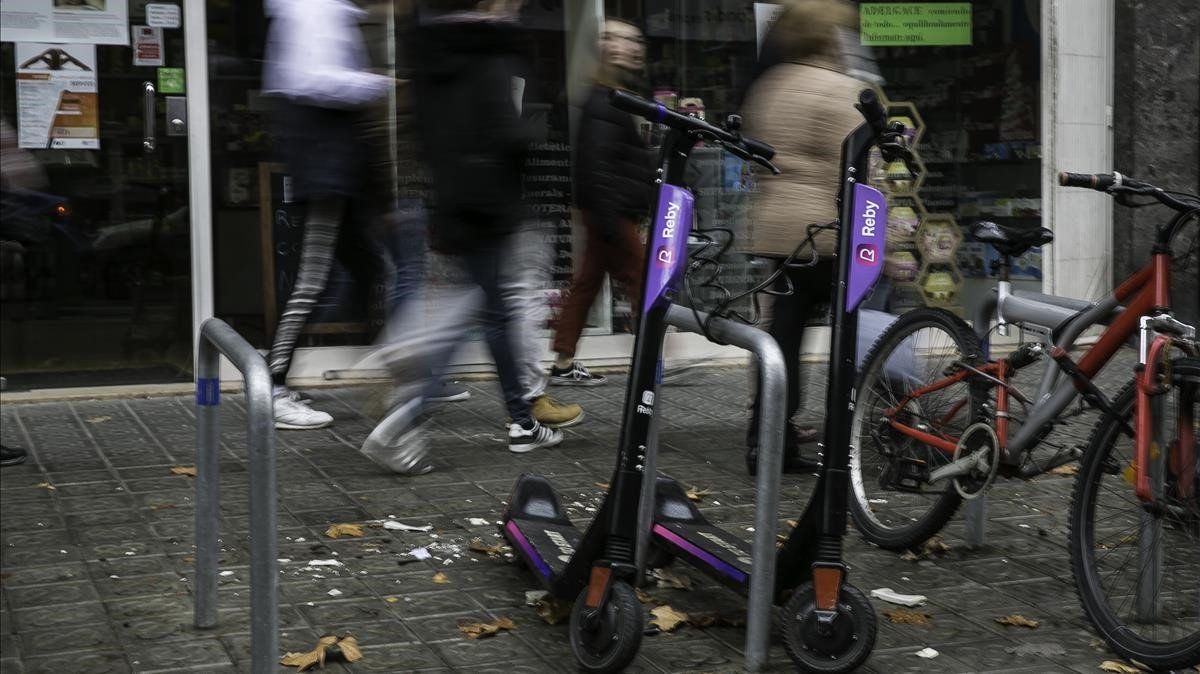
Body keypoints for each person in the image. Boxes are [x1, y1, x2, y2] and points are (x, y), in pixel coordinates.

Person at [359, 0, 560, 475]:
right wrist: (536, 125)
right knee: (478, 315)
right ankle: (408, 414)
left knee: (488, 311)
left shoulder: (432, 56)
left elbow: (422, 133)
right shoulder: (494, 54)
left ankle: (520, 420)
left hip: (451, 202)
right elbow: (510, 133)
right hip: (492, 203)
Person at [740, 0, 862, 475]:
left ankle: (767, 442)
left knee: (782, 339)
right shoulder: (841, 88)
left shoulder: (769, 87)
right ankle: (850, 434)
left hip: (776, 228)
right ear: (830, 35)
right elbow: (857, 170)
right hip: (828, 232)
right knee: (852, 338)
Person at [261, 0, 394, 430]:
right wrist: (378, 85)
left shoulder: (331, 11)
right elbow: (310, 80)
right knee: (313, 282)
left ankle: (399, 376)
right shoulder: (313, 10)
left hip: (338, 169)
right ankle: (272, 387)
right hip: (326, 170)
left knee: (369, 268)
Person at [547, 18, 654, 387]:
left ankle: (562, 361)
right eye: (621, 40)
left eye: (634, 39)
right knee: (646, 278)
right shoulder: (605, 99)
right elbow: (597, 165)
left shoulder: (613, 94)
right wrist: (613, 220)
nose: (632, 47)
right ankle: (653, 354)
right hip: (610, 211)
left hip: (605, 210)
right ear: (606, 48)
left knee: (587, 284)